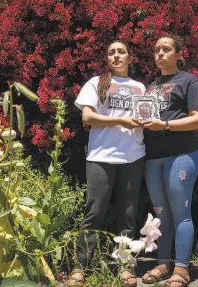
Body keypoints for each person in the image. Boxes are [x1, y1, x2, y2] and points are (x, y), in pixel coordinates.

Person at [68, 41, 145, 287]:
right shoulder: (95, 83)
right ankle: (81, 268)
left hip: (133, 156)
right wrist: (121, 119)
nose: (115, 55)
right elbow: (87, 117)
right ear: (107, 58)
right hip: (100, 157)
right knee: (95, 211)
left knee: (128, 213)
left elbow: (147, 118)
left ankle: (124, 267)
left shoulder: (140, 88)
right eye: (111, 52)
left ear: (130, 57)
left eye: (121, 51)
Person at [141, 34, 198, 287]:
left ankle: (181, 268)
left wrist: (164, 125)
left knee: (181, 214)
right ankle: (162, 263)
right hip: (152, 157)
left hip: (181, 154)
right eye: (157, 49)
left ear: (179, 54)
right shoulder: (150, 86)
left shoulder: (189, 81)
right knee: (160, 215)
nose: (159, 53)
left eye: (166, 49)